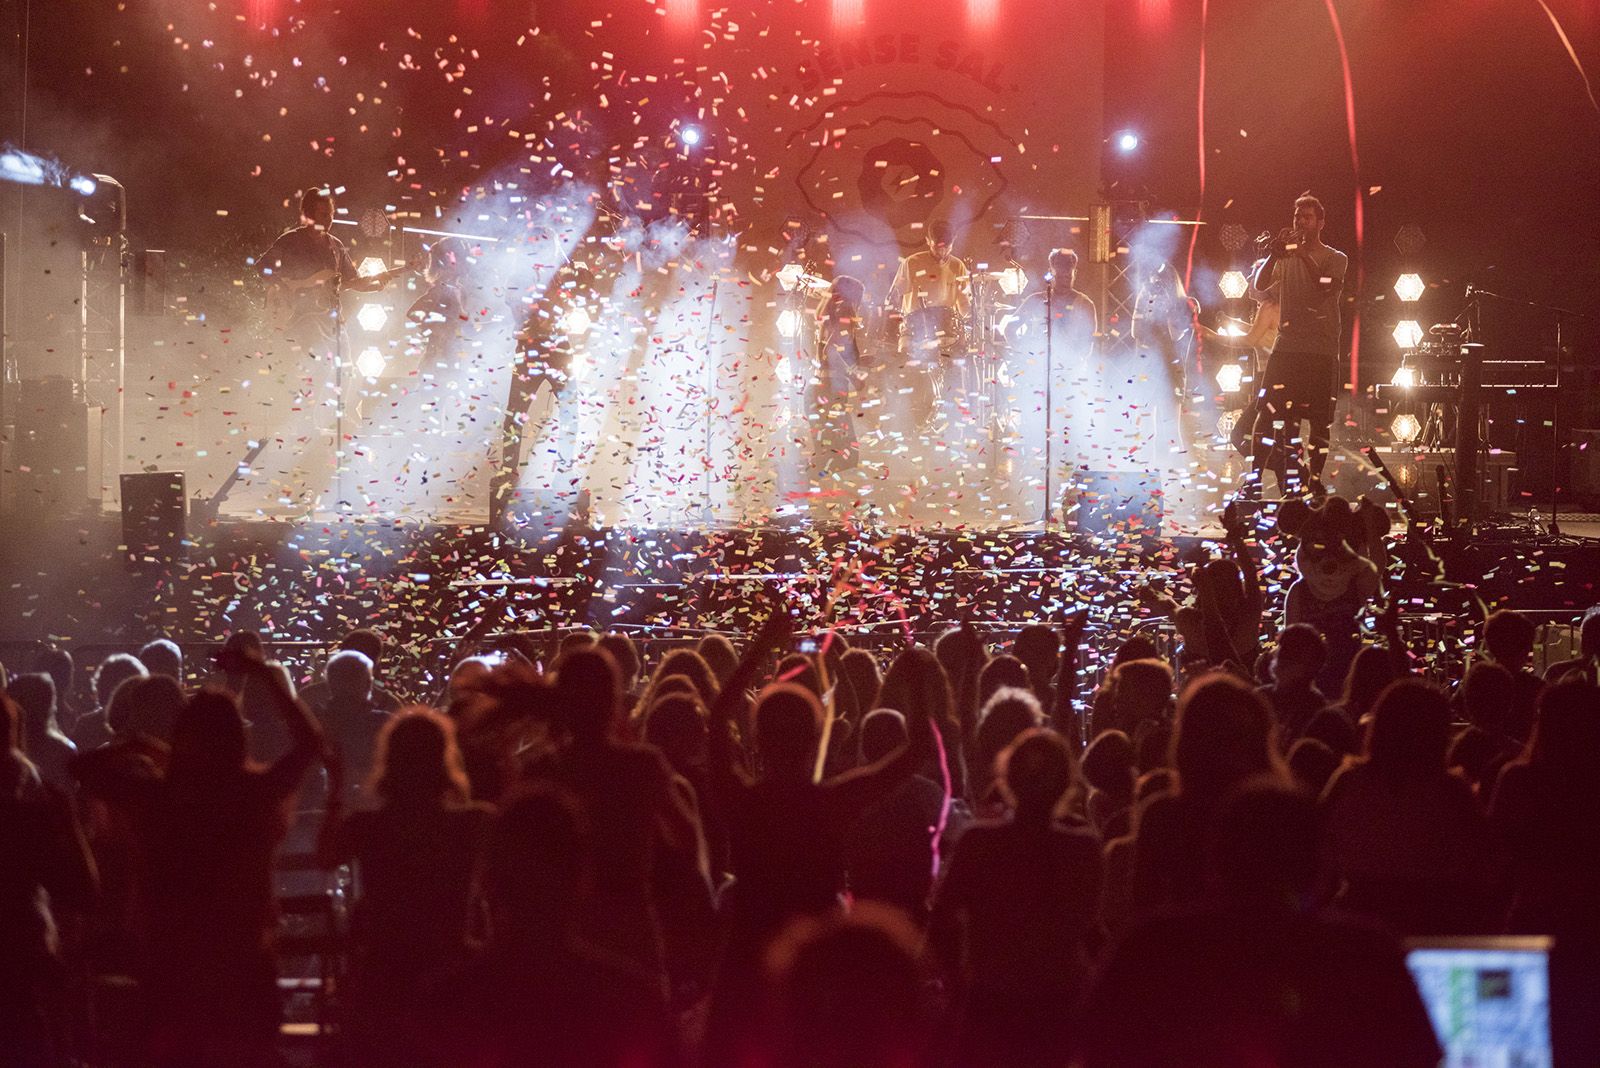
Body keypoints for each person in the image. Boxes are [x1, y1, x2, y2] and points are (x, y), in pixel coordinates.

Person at [1080, 781, 1442, 1068]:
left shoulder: (1152, 947)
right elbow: (1420, 1054)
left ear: (1215, 864)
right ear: (1319, 866)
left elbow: (1096, 1049)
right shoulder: (1366, 953)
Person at [319, 707, 494, 1065]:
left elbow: (325, 856)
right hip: (449, 962)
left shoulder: (368, 826)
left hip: (384, 972)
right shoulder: (473, 823)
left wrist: (335, 787)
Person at [929, 728, 1103, 1068]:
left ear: (1007, 778)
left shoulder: (978, 843)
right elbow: (1087, 928)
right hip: (1056, 1004)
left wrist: (958, 980)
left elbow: (941, 921)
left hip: (990, 999)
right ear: (1068, 782)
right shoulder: (1082, 849)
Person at [1320, 678, 1498, 935]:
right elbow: (1484, 861)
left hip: (1360, 914)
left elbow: (1320, 847)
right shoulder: (1450, 790)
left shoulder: (1351, 780)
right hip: (1433, 920)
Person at [1244, 194, 1348, 497]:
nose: (1300, 222)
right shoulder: (1284, 259)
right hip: (1286, 348)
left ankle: (1314, 481)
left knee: (1317, 422)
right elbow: (1260, 286)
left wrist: (1302, 255)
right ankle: (1253, 482)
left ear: (1320, 223)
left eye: (1307, 217)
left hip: (1321, 351)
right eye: (1296, 217)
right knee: (1267, 414)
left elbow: (1324, 288)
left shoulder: (1335, 257)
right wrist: (1275, 255)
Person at [258, 186, 393, 348]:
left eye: (331, 214)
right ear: (308, 214)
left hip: (331, 321)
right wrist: (283, 287)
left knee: (345, 365)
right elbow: (262, 267)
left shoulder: (336, 246)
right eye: (323, 214)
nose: (329, 219)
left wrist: (377, 285)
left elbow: (352, 282)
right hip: (299, 319)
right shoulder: (290, 240)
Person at [811, 274, 868, 478]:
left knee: (827, 455)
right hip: (831, 392)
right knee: (847, 456)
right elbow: (832, 352)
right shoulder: (844, 312)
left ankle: (812, 499)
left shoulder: (826, 317)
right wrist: (855, 375)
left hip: (819, 390)